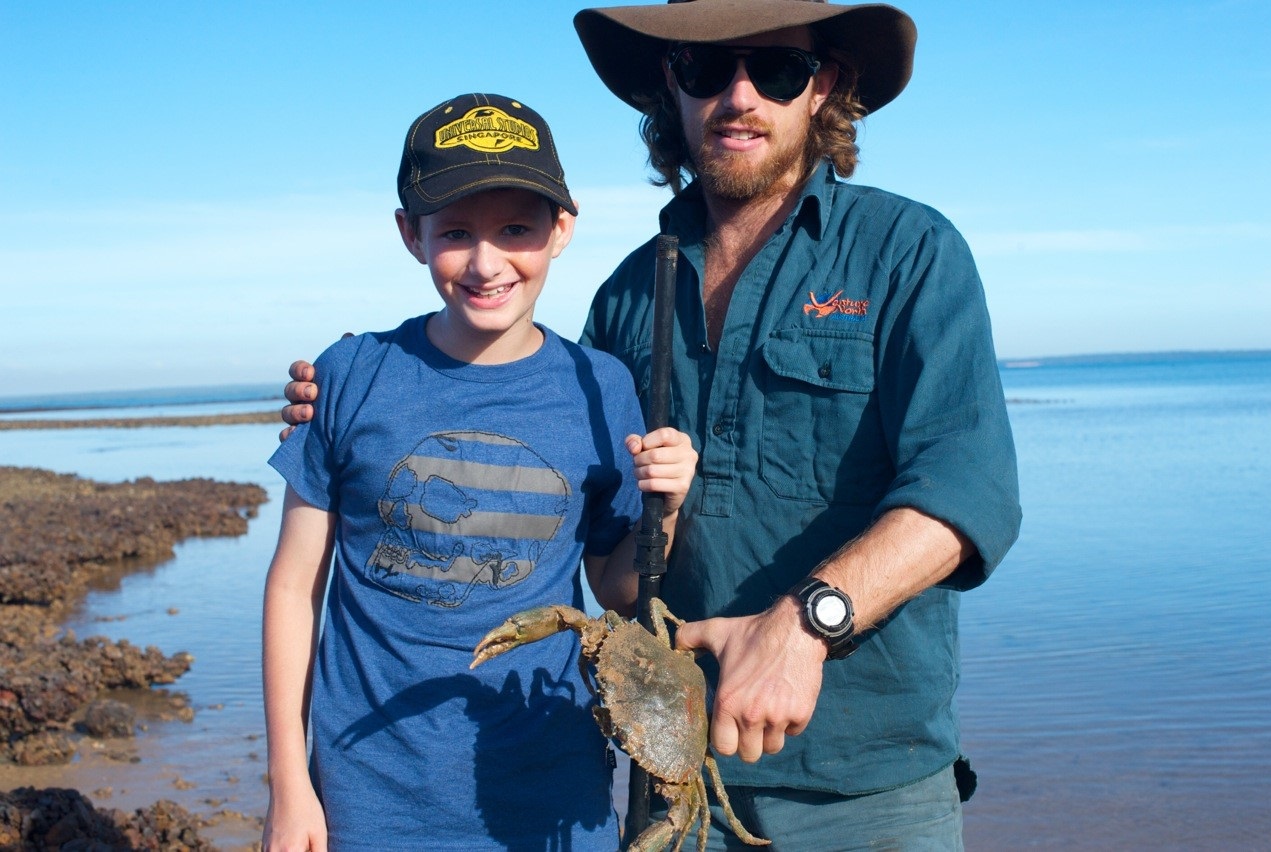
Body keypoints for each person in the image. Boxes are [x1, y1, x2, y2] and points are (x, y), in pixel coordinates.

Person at [282, 2, 1022, 847]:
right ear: (670, 88)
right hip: (667, 774)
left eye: (775, 69)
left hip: (868, 784)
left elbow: (970, 493)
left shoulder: (907, 252)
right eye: (705, 69)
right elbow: (593, 526)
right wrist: (345, 397)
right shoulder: (633, 295)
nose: (737, 95)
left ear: (827, 86)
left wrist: (803, 628)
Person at [262, 92, 697, 851]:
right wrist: (289, 785)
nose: (487, 261)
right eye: (456, 232)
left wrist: (669, 506)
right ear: (411, 234)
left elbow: (618, 589)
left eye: (516, 229)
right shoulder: (351, 374)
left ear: (562, 229)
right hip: (371, 797)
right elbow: (295, 586)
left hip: (555, 793)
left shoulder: (602, 386)